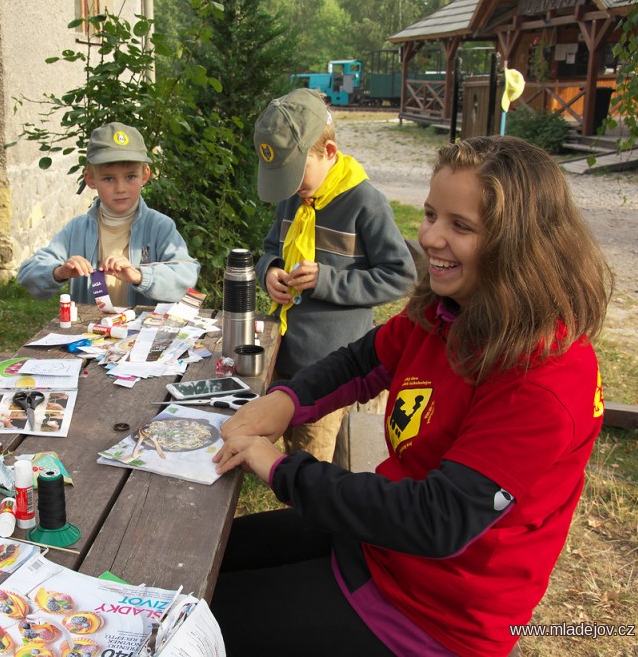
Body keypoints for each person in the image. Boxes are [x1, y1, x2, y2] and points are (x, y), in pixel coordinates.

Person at [210, 136, 613, 656]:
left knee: (198, 621)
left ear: (518, 244)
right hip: (375, 547)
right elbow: (363, 360)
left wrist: (281, 469)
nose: (429, 238)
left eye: (459, 226)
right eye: (429, 215)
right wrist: (284, 400)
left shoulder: (544, 377)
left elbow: (436, 520)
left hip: (429, 617)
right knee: (207, 566)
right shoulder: (452, 309)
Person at [253, 88, 416, 461]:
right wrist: (270, 272)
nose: (291, 187)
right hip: (283, 355)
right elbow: (269, 250)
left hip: (330, 367)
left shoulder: (364, 204)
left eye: (297, 174)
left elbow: (400, 275)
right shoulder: (293, 196)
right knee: (275, 447)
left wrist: (328, 281)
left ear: (328, 152)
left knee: (310, 464)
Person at [17, 122, 199, 308]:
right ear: (91, 179)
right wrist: (59, 272)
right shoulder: (77, 229)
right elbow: (28, 273)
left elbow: (186, 275)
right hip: (88, 331)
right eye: (108, 178)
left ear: (145, 175)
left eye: (130, 177)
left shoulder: (160, 226)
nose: (121, 189)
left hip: (142, 333)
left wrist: (140, 276)